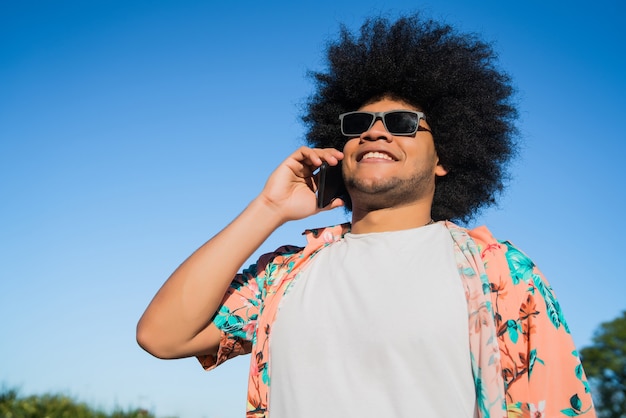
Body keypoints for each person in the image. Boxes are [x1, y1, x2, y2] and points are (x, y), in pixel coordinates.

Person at [137, 14, 596, 418]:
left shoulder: (502, 274)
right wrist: (269, 209)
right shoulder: (287, 273)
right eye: (358, 124)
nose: (376, 131)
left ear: (445, 156)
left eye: (403, 123)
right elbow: (163, 337)